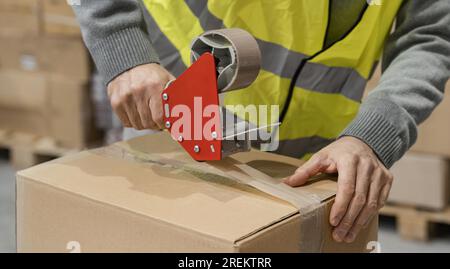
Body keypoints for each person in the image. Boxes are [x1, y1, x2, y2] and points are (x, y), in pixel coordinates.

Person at [72, 0, 450, 243]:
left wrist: (372, 136)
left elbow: (431, 35)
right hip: (171, 131)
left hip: (308, 169)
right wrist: (124, 49)